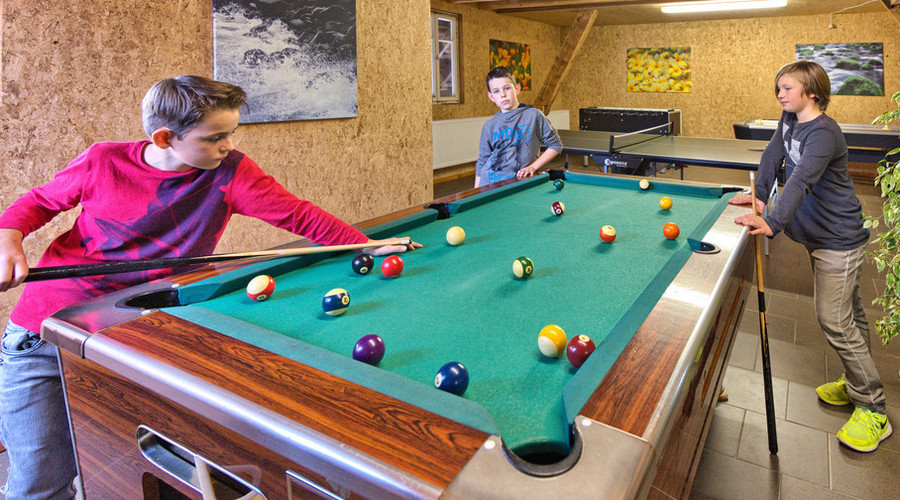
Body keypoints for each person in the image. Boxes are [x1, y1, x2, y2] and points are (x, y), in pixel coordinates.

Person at [0, 75, 420, 499]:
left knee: (120, 465)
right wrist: (8, 239)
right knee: (40, 480)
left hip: (141, 330)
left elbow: (298, 215)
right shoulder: (103, 161)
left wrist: (366, 244)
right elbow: (38, 202)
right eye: (215, 137)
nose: (227, 146)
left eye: (231, 133)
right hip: (46, 331)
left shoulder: (231, 171)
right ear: (165, 138)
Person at [731, 60, 890, 452]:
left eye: (787, 88)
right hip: (818, 236)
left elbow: (802, 179)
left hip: (839, 238)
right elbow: (773, 156)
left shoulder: (824, 133)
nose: (780, 94)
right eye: (778, 88)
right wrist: (759, 196)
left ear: (812, 92)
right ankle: (856, 382)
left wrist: (774, 221)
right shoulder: (789, 121)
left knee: (834, 319)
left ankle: (873, 408)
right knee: (850, 314)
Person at [475, 66, 563, 187]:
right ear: (491, 97)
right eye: (496, 91)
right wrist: (476, 191)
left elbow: (556, 145)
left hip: (518, 182)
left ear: (517, 89)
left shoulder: (533, 115)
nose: (503, 95)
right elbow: (482, 161)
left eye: (507, 88)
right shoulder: (489, 126)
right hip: (489, 184)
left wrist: (533, 167)